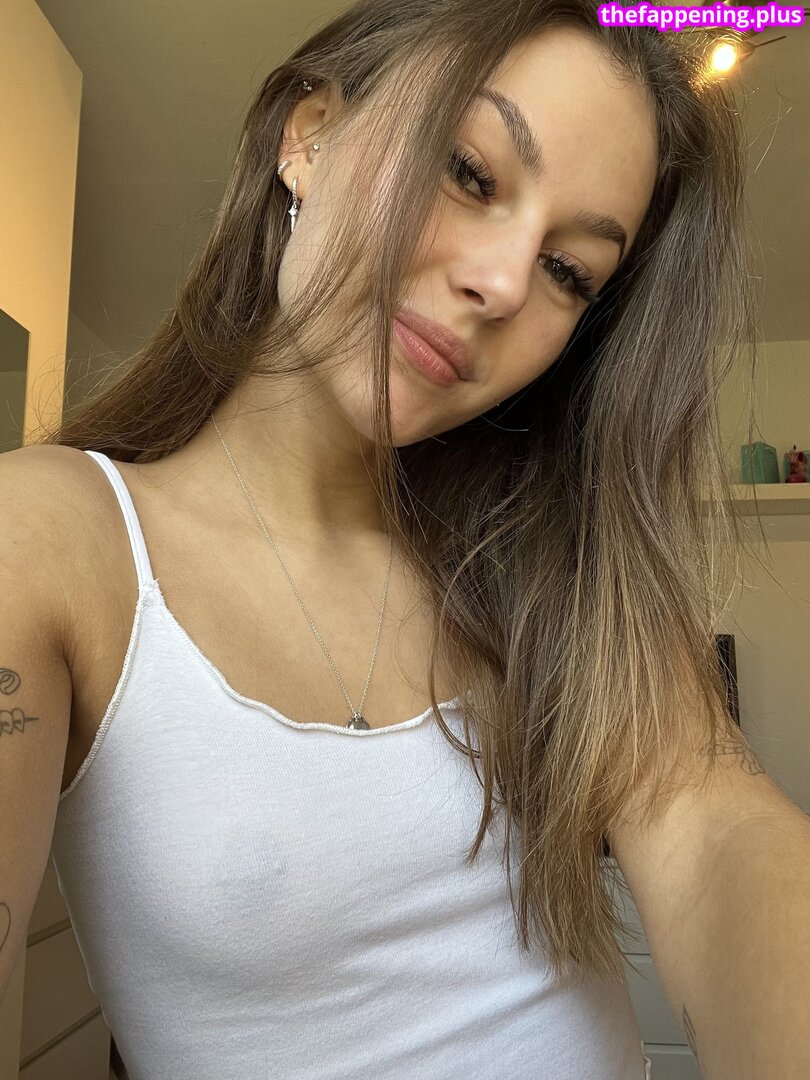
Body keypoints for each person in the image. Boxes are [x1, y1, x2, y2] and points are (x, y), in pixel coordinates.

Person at [2, 1, 758, 1076]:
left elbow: (722, 837)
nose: (504, 283)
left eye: (570, 273)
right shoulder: (54, 539)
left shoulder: (553, 570)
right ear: (307, 136)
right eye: (469, 171)